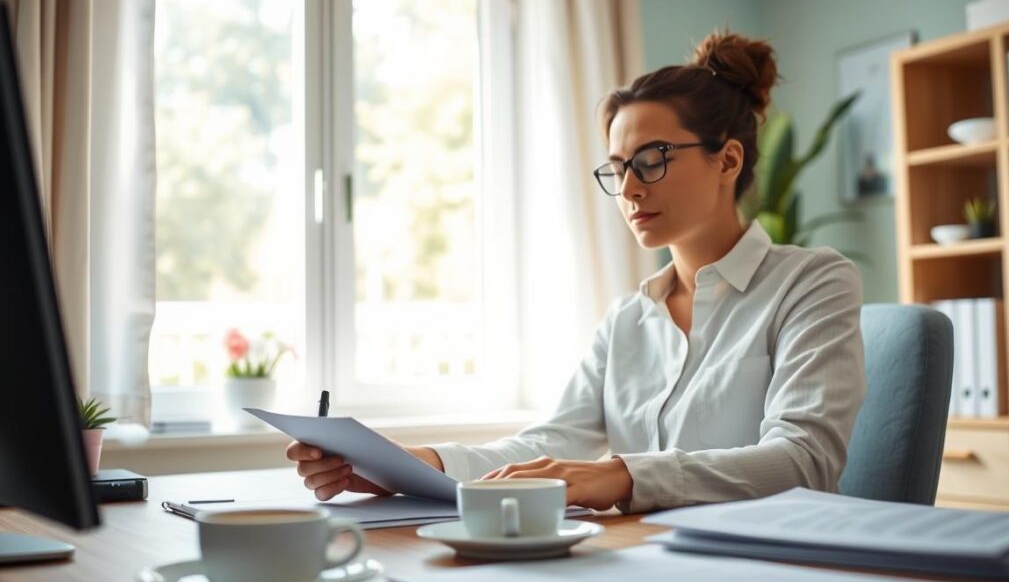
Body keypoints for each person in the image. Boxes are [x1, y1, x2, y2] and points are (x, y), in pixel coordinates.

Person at [287, 30, 866, 513]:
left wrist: (619, 476)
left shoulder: (811, 283)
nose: (631, 189)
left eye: (653, 160)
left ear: (728, 159)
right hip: (653, 561)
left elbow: (804, 460)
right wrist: (405, 466)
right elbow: (550, 443)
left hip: (774, 569)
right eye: (619, 169)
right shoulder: (628, 320)